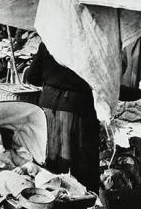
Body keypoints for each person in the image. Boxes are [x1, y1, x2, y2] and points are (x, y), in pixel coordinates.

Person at [25, 42, 100, 194]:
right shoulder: (90, 44)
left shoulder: (49, 40)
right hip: (73, 108)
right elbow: (103, 83)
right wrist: (140, 94)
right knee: (80, 160)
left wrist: (52, 82)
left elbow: (32, 76)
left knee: (48, 158)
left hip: (47, 106)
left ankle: (48, 195)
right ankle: (79, 199)